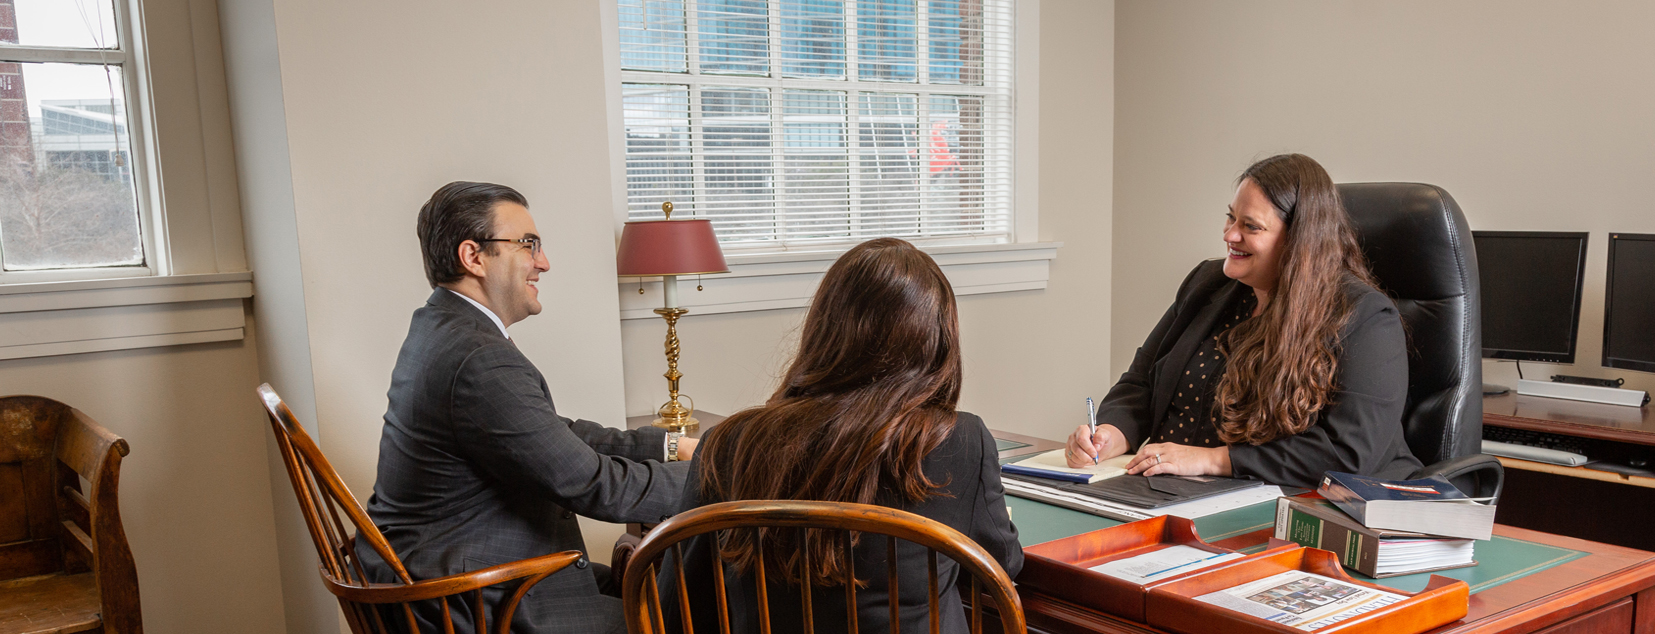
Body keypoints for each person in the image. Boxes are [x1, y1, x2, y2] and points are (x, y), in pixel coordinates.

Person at [359, 181, 696, 634]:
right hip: (474, 603)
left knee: (665, 588)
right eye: (528, 244)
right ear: (473, 256)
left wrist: (672, 445)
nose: (543, 262)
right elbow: (595, 485)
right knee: (692, 611)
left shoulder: (441, 326)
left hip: (462, 574)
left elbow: (552, 434)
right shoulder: (479, 358)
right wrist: (715, 473)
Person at [657, 238, 1022, 634]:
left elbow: (679, 608)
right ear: (937, 341)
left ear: (824, 330)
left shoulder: (729, 443)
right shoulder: (961, 440)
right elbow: (1004, 564)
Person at [1066, 154, 1421, 488]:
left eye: (1250, 226)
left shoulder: (1365, 317)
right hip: (1166, 488)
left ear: (1300, 242)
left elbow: (1348, 453)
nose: (1229, 235)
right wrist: (1111, 434)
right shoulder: (1207, 284)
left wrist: (1213, 460)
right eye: (1231, 217)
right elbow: (1142, 382)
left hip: (1284, 501)